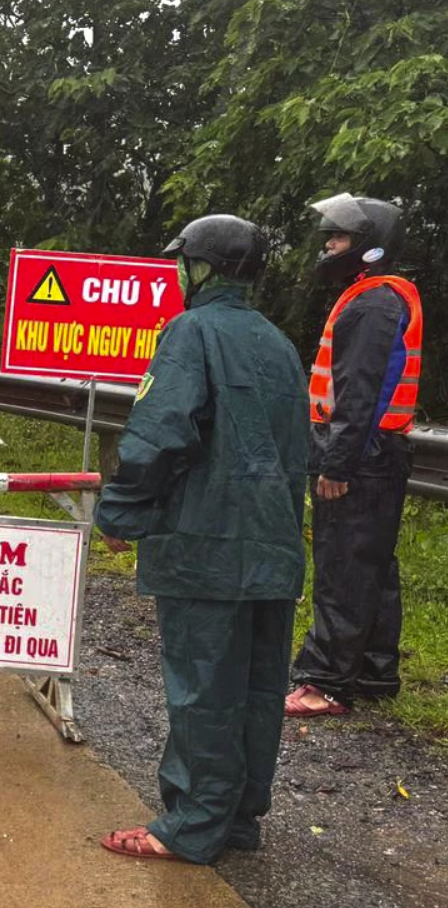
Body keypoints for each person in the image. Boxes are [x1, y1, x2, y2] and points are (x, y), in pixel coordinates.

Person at [94, 214, 309, 864]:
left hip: (206, 542)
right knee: (257, 689)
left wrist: (122, 511)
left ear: (205, 268)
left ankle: (191, 825)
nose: (180, 274)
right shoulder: (278, 343)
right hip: (272, 546)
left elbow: (162, 430)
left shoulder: (191, 332)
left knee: (205, 689)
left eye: (185, 263)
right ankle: (236, 819)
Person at [288, 195, 423, 718]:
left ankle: (324, 682)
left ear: (370, 246)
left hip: (361, 454)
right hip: (380, 451)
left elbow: (361, 389)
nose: (329, 246)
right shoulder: (383, 297)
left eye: (338, 238)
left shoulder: (372, 304)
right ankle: (372, 671)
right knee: (371, 565)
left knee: (344, 565)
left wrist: (337, 462)